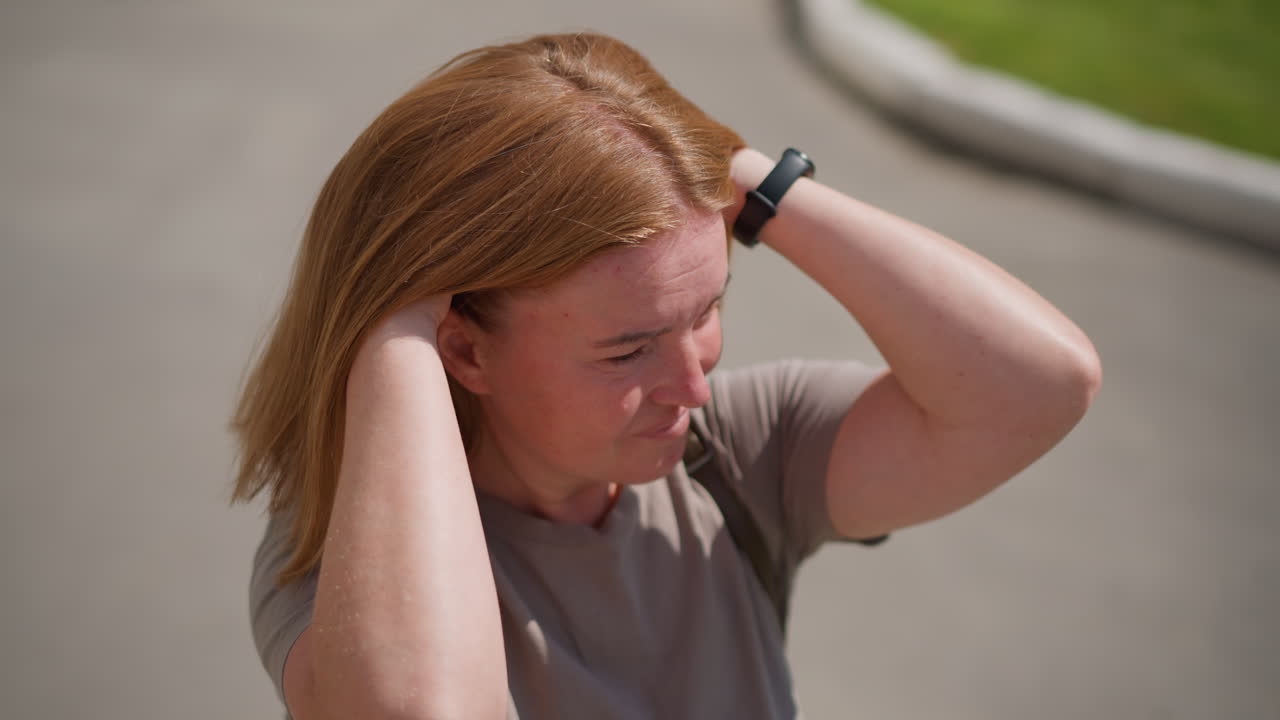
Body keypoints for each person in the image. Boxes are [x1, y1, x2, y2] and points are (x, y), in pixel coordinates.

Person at [230, 32, 1101, 720]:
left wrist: (731, 171)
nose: (694, 385)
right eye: (629, 348)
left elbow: (1040, 384)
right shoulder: (342, 563)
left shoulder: (734, 457)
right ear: (462, 351)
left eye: (706, 311)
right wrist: (390, 314)